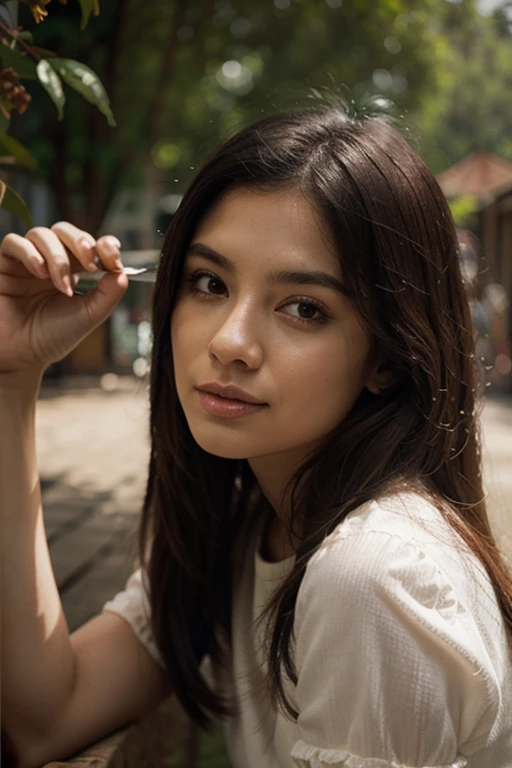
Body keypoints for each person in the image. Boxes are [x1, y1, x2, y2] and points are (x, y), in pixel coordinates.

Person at [2, 104, 512, 768]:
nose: (230, 342)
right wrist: (12, 380)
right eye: (209, 282)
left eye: (304, 308)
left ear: (387, 357)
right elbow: (49, 715)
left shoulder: (376, 575)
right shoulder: (247, 527)